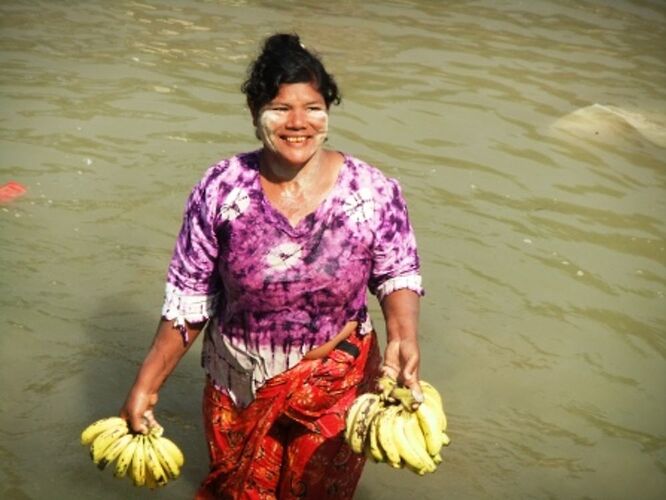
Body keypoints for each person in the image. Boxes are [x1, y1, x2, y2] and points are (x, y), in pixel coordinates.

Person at [120, 32, 424, 499]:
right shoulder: (222, 189)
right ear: (254, 113)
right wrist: (147, 384)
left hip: (335, 386)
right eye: (281, 108)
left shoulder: (373, 192)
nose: (298, 122)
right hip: (237, 384)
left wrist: (403, 338)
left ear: (328, 112)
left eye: (313, 107)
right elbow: (188, 300)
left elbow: (397, 272)